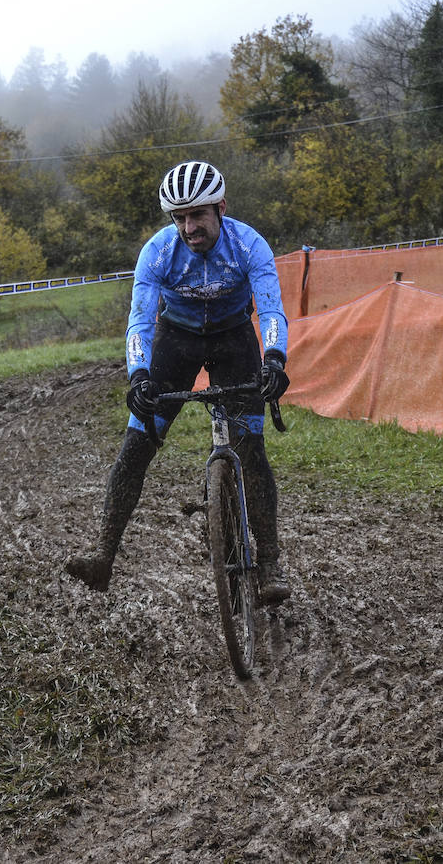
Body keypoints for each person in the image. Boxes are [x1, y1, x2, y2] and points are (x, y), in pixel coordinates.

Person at [65, 160, 292, 603]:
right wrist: (140, 375)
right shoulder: (157, 252)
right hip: (177, 338)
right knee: (137, 443)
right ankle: (103, 556)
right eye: (180, 218)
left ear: (221, 208)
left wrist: (275, 358)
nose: (189, 227)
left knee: (251, 447)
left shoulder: (250, 245)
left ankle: (269, 563)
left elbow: (270, 310)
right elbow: (139, 321)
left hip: (233, 339)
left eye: (198, 215)